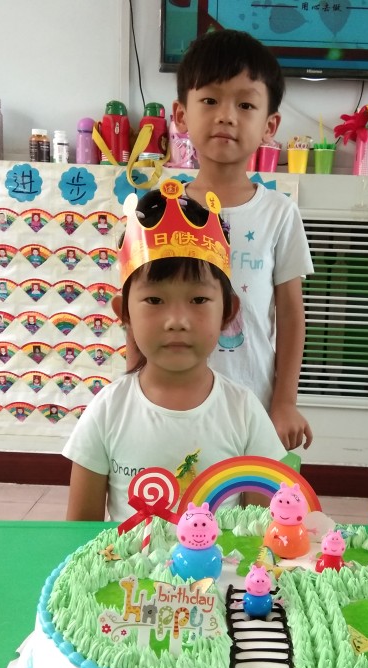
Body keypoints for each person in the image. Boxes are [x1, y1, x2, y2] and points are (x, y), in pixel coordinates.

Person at [63, 180, 286, 523]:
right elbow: (79, 531)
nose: (177, 321)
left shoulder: (244, 413)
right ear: (124, 313)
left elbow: (262, 528)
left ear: (228, 312)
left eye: (198, 299)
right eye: (154, 300)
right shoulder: (107, 411)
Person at [172, 28, 315, 453]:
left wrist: (285, 401)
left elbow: (291, 314)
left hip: (255, 403)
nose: (226, 116)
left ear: (270, 125)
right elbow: (139, 307)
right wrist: (131, 386)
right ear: (181, 115)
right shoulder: (162, 210)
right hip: (174, 399)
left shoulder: (279, 213)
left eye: (246, 104)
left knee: (254, 495)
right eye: (210, 100)